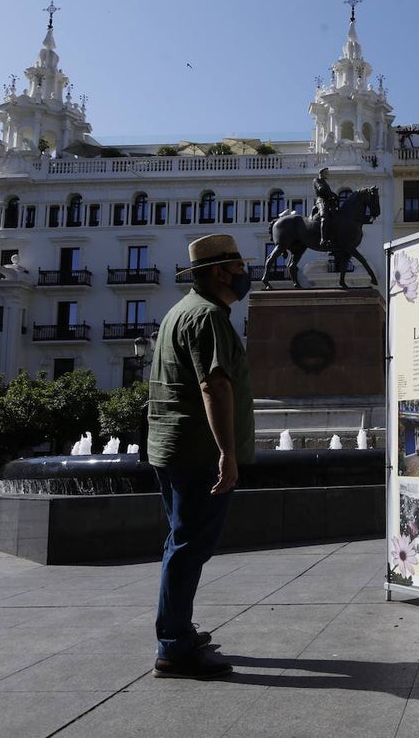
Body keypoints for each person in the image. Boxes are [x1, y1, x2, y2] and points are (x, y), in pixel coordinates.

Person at [147, 234, 255, 679]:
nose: (244, 275)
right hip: (197, 454)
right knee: (190, 547)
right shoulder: (207, 317)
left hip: (173, 448)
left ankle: (178, 631)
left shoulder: (181, 311)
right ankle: (174, 647)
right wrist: (227, 453)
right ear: (218, 273)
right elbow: (214, 385)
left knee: (181, 542)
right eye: (237, 267)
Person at [313, 167, 338, 249]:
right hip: (321, 200)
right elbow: (321, 189)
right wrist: (330, 193)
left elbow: (329, 192)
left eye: (328, 173)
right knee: (324, 216)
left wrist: (334, 196)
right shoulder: (317, 180)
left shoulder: (325, 183)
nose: (328, 174)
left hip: (327, 201)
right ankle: (323, 240)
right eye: (326, 173)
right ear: (321, 173)